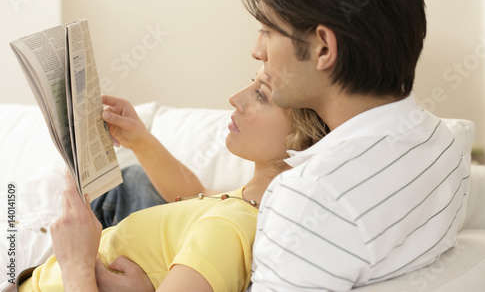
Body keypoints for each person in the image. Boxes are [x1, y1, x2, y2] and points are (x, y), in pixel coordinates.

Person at [239, 0, 471, 290]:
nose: (257, 51)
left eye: (267, 30)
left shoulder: (312, 196)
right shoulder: (441, 141)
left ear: (323, 48)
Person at [17, 68, 328, 292]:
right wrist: (140, 140)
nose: (235, 98)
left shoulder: (231, 227)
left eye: (261, 94)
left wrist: (77, 264)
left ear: (302, 137)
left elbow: (218, 229)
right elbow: (195, 194)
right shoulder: (244, 204)